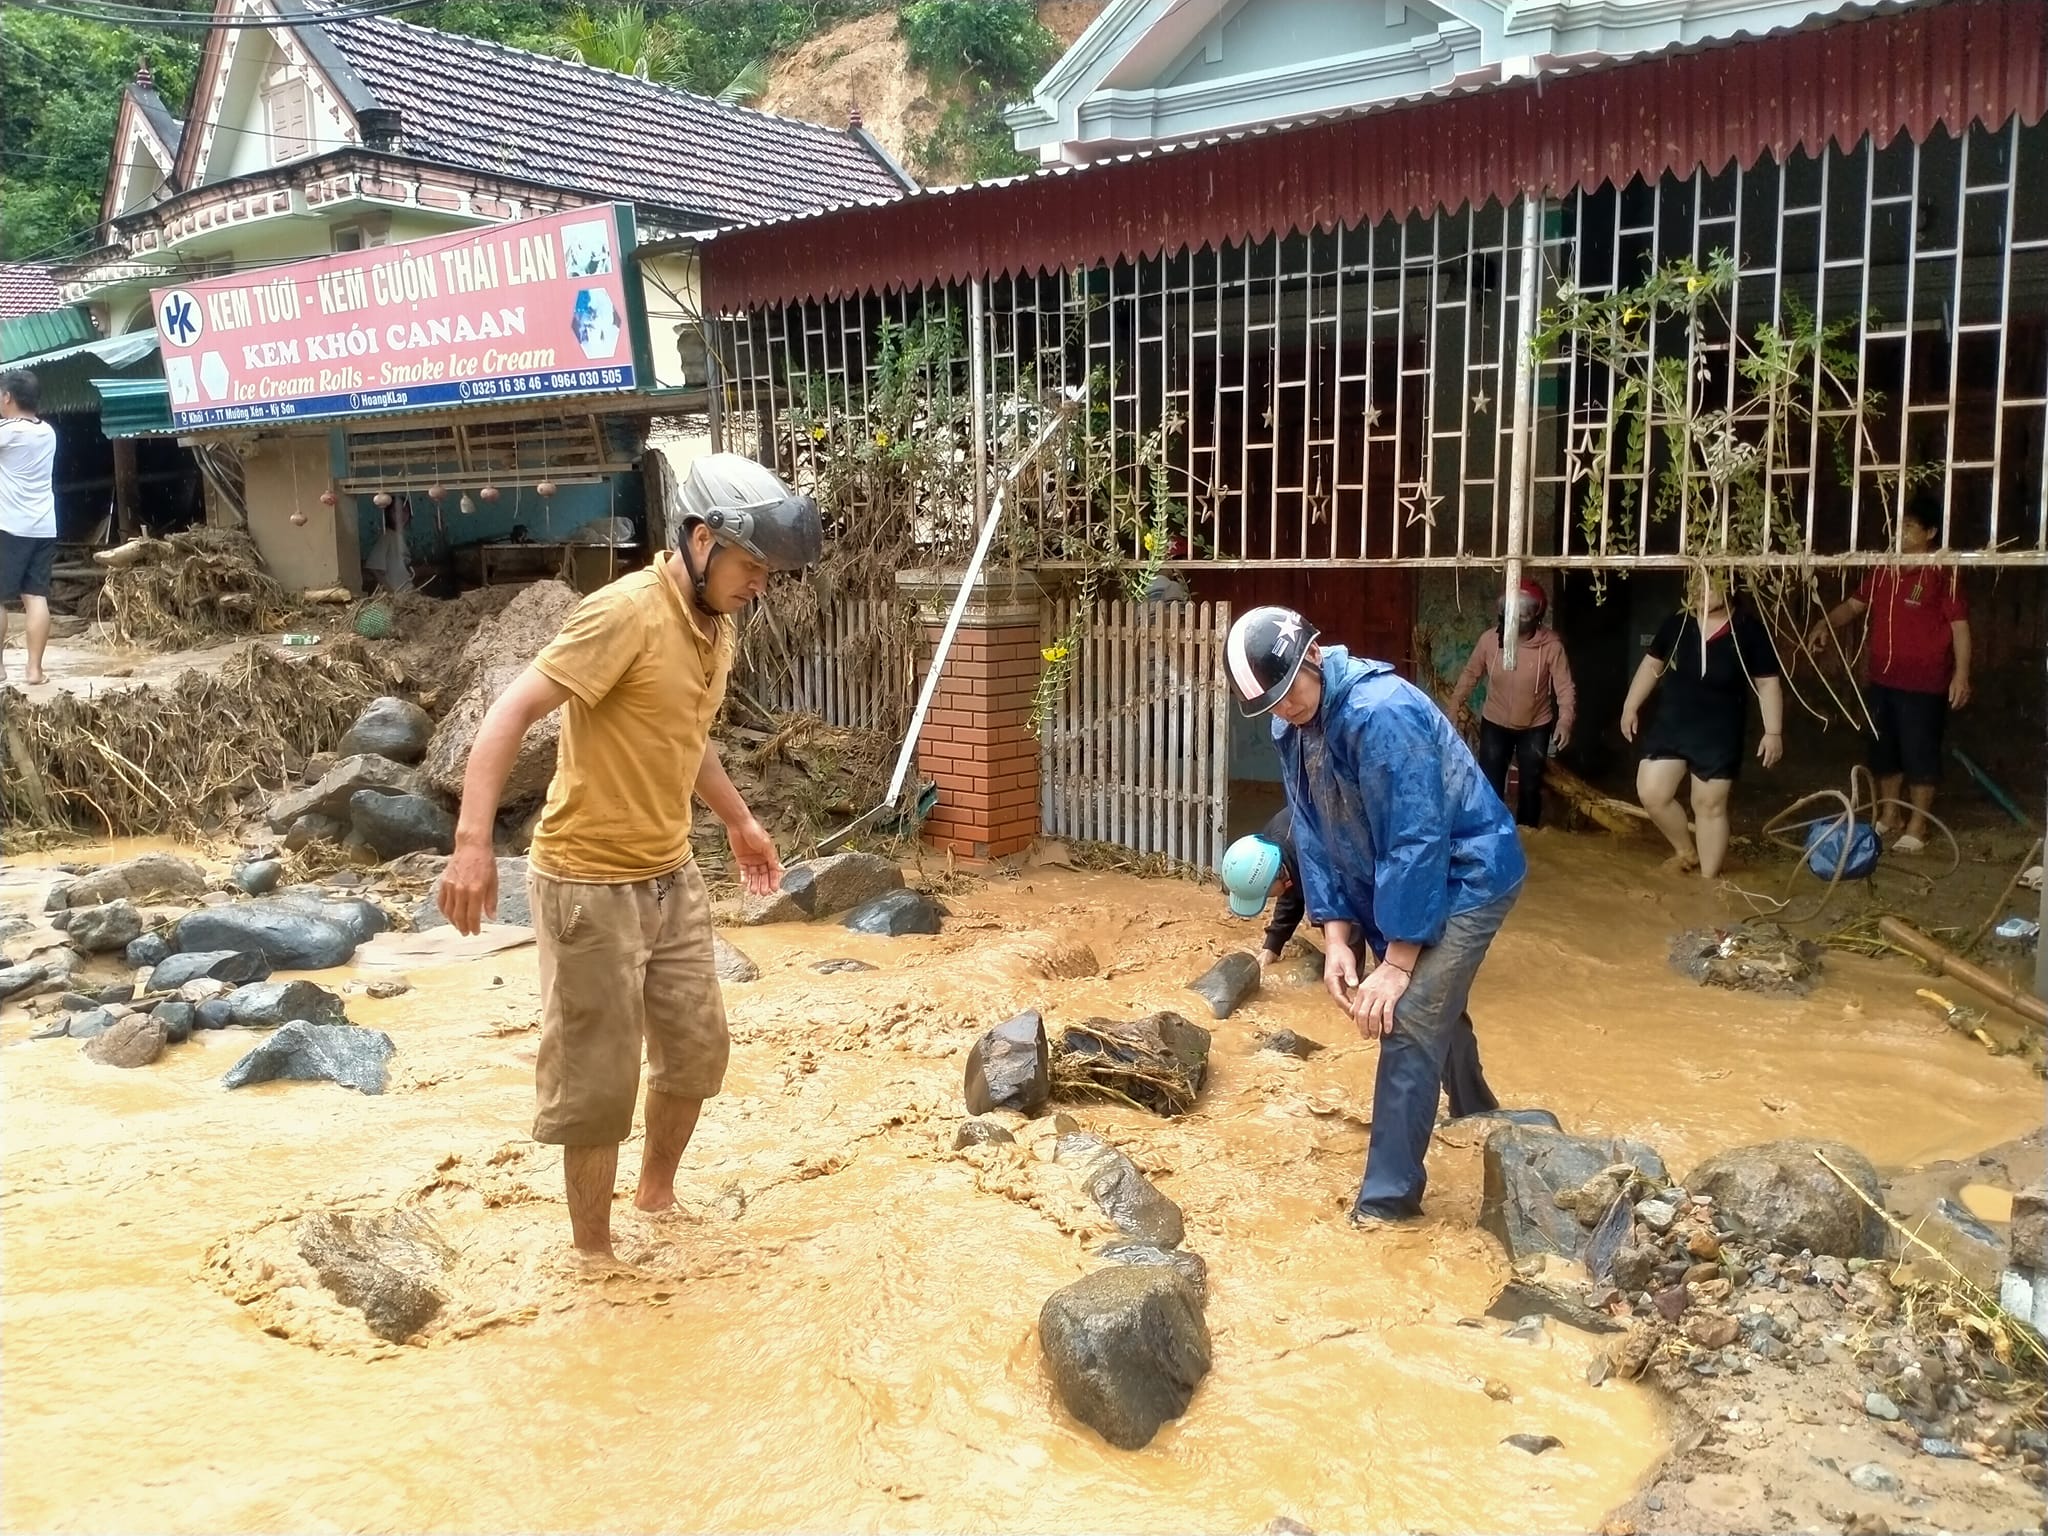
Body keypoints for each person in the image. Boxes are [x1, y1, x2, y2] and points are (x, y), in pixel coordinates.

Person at [435, 453, 821, 1258]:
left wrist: (742, 824)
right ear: (703, 540)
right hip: (586, 881)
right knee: (596, 1086)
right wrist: (471, 846)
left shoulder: (716, 625)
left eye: (768, 573)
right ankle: (595, 1259)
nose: (761, 585)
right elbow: (510, 712)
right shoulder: (625, 613)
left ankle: (656, 1197)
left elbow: (686, 734)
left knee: (696, 1050)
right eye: (753, 567)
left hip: (669, 873)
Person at [1226, 605, 1526, 1230]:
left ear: (1312, 654)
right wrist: (1336, 936)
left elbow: (1415, 839)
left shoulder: (1380, 712)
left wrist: (1396, 962)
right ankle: (1477, 1116)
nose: (1284, 710)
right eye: (1271, 705)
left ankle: (1386, 1207)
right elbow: (1313, 830)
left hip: (1468, 873)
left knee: (1408, 1014)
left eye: (1289, 694)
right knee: (1435, 1002)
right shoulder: (1293, 727)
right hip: (1392, 879)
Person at [1221, 808, 1501, 1120]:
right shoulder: (1276, 842)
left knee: (1426, 1001)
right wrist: (1274, 944)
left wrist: (1394, 963)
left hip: (1425, 891)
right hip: (1386, 885)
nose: (1270, 899)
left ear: (1280, 876)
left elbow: (1375, 897)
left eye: (1265, 894)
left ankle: (1474, 1111)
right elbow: (1299, 895)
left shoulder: (1322, 850)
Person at [1804, 499, 1970, 853]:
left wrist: (1962, 674)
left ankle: (1918, 825)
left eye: (1910, 526)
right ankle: (1890, 815)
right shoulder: (1884, 570)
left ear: (1930, 533)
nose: (1901, 533)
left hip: (1925, 684)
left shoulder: (1942, 572)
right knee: (1884, 751)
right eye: (1898, 526)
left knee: (1920, 753)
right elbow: (1853, 606)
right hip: (1882, 679)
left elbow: (1959, 626)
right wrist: (1824, 624)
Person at [1621, 572, 1785, 879]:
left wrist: (1772, 731)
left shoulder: (1749, 631)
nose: (1701, 591)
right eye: (1696, 584)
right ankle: (1685, 851)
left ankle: (1708, 885)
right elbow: (1651, 665)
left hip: (1718, 731)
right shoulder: (1678, 621)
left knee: (1708, 805)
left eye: (1711, 585)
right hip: (1674, 721)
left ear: (1731, 589)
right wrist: (1631, 706)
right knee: (1652, 792)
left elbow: (1767, 684)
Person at [1447, 579, 1577, 828]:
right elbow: (1470, 674)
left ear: (1537, 613)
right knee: (1491, 782)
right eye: (1509, 607)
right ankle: (1491, 832)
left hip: (1535, 725)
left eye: (1524, 608)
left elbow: (1564, 687)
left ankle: (1528, 835)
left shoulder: (1551, 646)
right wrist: (1454, 705)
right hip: (1495, 722)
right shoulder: (1488, 641)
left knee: (1530, 785)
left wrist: (1565, 721)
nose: (1515, 615)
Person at [0, 369, 58, 686]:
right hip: (43, 527)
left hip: (9, 526)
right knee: (35, 597)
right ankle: (35, 670)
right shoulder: (47, 431)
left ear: (7, 397)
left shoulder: (10, 432)